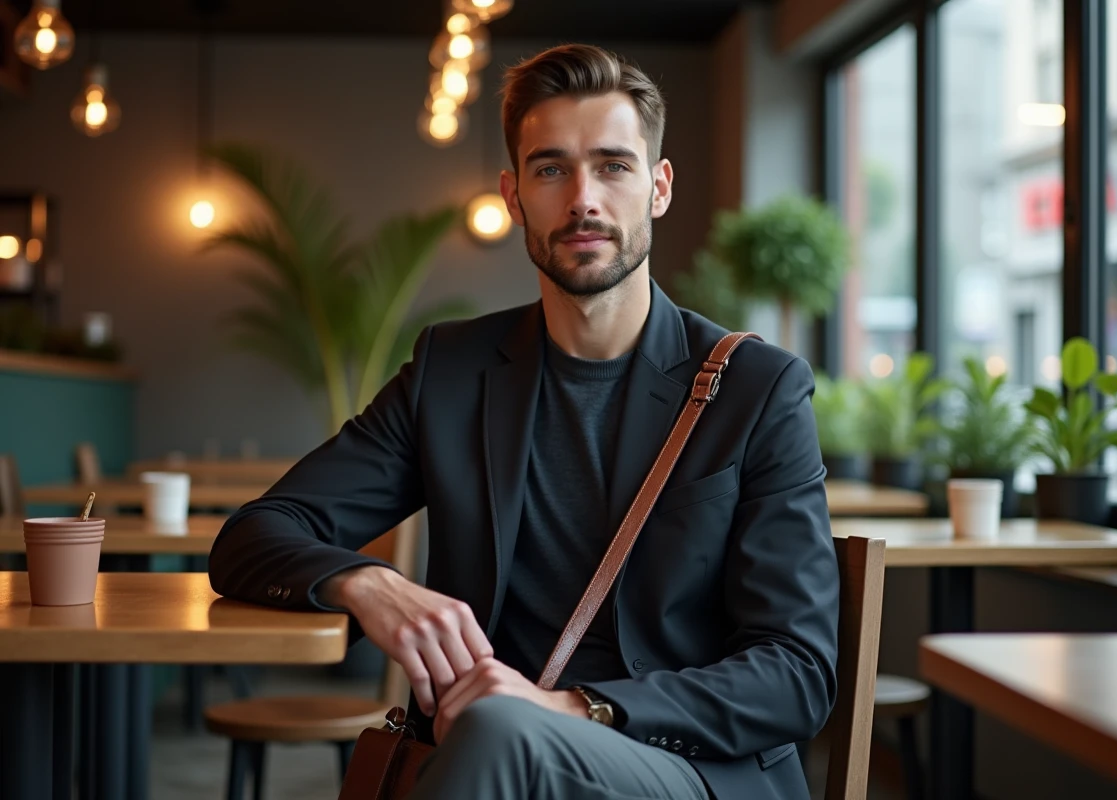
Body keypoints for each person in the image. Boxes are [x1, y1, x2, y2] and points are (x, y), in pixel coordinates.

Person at [209, 43, 839, 800]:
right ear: (513, 196)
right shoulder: (453, 372)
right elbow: (253, 536)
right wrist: (370, 584)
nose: (583, 199)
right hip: (492, 758)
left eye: (613, 165)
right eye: (551, 170)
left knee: (502, 734)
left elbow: (796, 673)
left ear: (659, 187)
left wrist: (574, 708)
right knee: (496, 739)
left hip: (692, 771)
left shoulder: (756, 388)